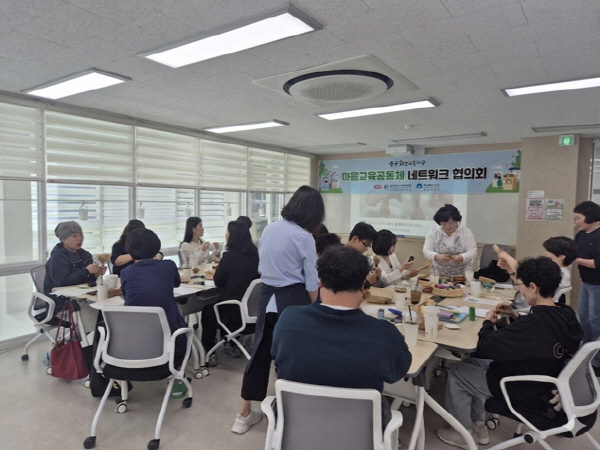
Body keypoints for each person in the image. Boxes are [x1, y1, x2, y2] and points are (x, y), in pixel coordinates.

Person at [437, 257, 583, 449]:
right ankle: (479, 425)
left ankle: (461, 433)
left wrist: (488, 322)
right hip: (545, 379)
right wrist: (514, 315)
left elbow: (487, 346)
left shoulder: (533, 324)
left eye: (519, 285)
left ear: (533, 287)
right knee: (470, 364)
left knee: (457, 372)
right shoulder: (565, 313)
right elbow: (536, 336)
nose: (519, 290)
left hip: (523, 387)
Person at [272, 246, 412, 424]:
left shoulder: (289, 320)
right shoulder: (384, 334)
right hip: (359, 432)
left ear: (320, 282)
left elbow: (277, 359)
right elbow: (399, 371)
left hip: (293, 429)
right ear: (363, 286)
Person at [231, 185, 325, 434]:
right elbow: (311, 280)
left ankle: (243, 415)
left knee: (260, 351)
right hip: (293, 300)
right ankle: (291, 413)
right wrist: (318, 308)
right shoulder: (304, 237)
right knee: (294, 355)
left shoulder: (269, 228)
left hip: (267, 297)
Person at [120, 228, 189, 397]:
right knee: (179, 322)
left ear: (130, 250)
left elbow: (126, 295)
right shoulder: (168, 266)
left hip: (134, 336)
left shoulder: (126, 272)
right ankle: (177, 377)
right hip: (169, 332)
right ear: (156, 246)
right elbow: (176, 283)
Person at [200, 220, 260, 365]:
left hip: (233, 315)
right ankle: (231, 344)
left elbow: (219, 282)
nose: (226, 235)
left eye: (227, 232)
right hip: (254, 313)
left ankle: (209, 352)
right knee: (231, 301)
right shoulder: (257, 255)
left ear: (233, 236)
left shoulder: (229, 256)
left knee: (208, 311)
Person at [44, 221, 105, 310]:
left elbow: (87, 282)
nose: (79, 239)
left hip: (83, 297)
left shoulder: (85, 255)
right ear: (64, 239)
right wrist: (87, 271)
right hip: (64, 303)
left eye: (81, 235)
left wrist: (96, 274)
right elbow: (63, 282)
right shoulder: (57, 258)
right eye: (74, 236)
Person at [497, 236, 577, 303]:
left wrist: (507, 257)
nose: (545, 253)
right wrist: (509, 269)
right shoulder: (552, 269)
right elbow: (524, 282)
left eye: (550, 251)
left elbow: (522, 271)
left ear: (562, 256)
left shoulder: (560, 273)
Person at [573, 200, 600, 373]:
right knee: (584, 319)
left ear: (589, 216)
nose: (576, 222)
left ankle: (597, 361)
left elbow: (598, 263)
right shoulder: (581, 235)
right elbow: (573, 251)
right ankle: (585, 354)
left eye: (578, 218)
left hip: (598, 285)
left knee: (596, 321)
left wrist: (576, 259)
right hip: (586, 283)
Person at [423, 204, 477, 279]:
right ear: (440, 223)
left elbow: (473, 252)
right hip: (438, 275)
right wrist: (437, 256)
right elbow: (426, 251)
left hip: (461, 276)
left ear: (457, 221)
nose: (448, 227)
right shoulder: (434, 232)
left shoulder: (465, 232)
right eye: (444, 224)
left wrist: (462, 257)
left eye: (451, 223)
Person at [345, 222, 381, 286]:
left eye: (368, 246)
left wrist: (373, 277)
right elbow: (346, 288)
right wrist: (367, 283)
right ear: (355, 239)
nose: (366, 249)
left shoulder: (357, 259)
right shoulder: (338, 259)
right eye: (366, 245)